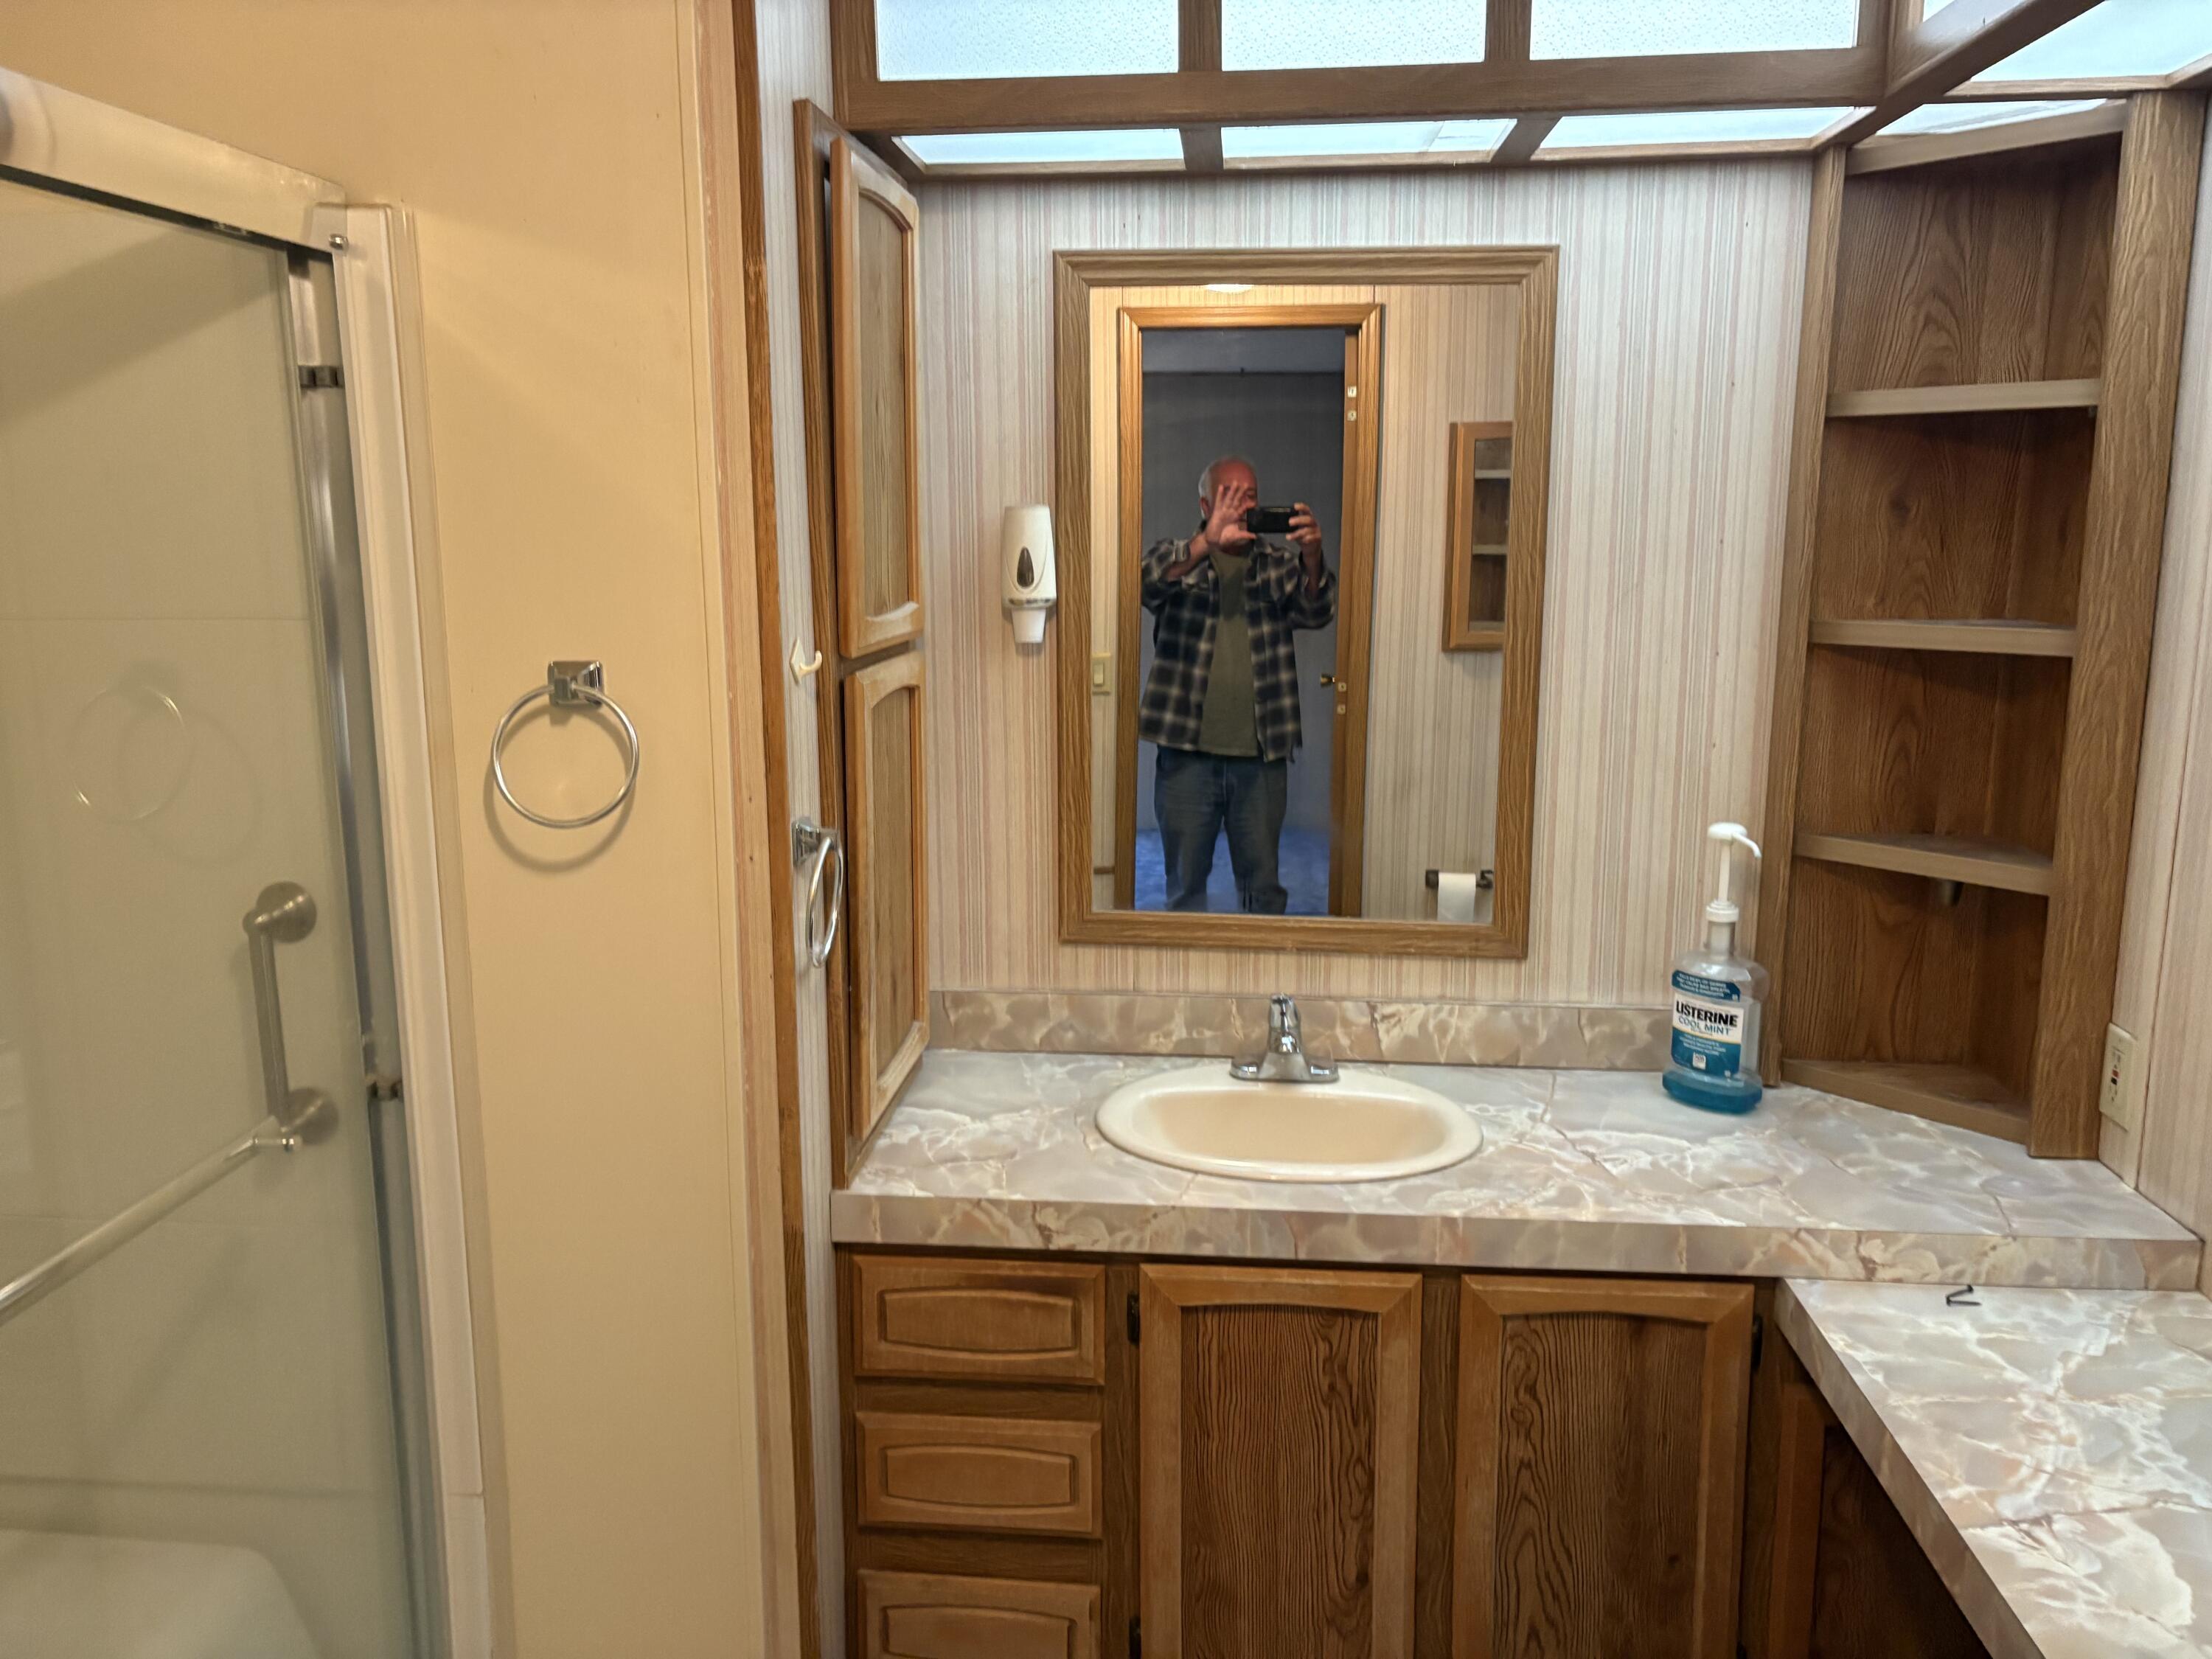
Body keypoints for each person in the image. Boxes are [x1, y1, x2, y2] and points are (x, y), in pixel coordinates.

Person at [1138, 455, 1336, 912]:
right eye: (1231, 494)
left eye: (1251, 494)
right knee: (1184, 888)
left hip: (1261, 760)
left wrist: (1311, 558)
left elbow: (1316, 612)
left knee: (1263, 889)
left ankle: (1260, 982)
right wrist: (1205, 545)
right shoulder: (1179, 558)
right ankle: (1187, 981)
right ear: (1206, 504)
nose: (1245, 503)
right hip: (1187, 758)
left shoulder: (1277, 565)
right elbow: (1147, 583)